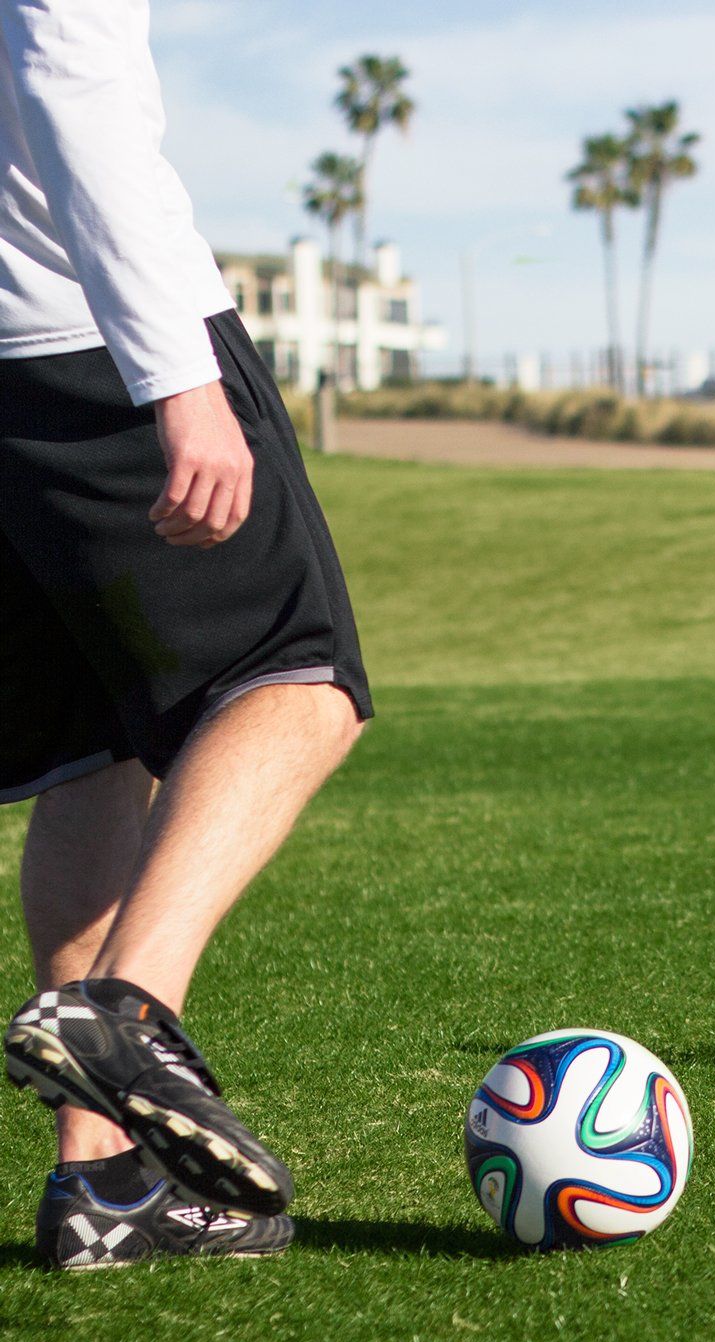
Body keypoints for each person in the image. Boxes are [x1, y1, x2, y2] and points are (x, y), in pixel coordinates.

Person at [0, 1, 372, 1269]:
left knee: (93, 740)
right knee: (297, 676)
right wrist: (179, 378)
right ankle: (125, 1008)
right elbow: (72, 75)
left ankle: (98, 1189)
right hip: (87, 335)